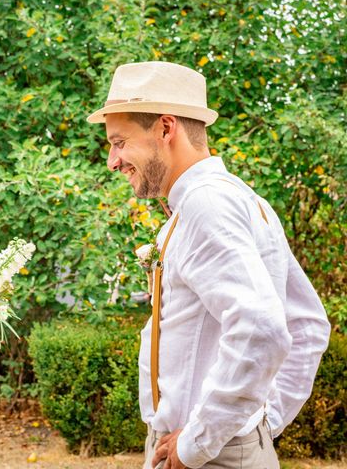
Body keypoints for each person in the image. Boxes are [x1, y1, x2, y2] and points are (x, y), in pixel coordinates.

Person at [87, 61, 331, 468]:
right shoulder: (242, 200)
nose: (113, 161)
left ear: (166, 128)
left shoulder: (207, 204)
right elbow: (307, 326)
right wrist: (257, 426)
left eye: (120, 142)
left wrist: (202, 440)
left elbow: (263, 329)